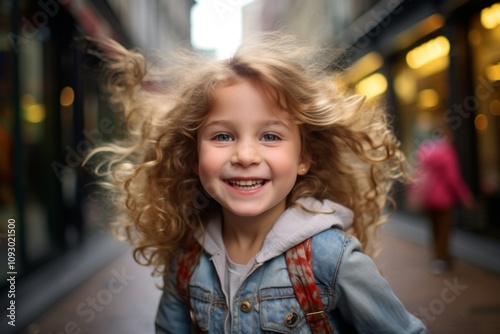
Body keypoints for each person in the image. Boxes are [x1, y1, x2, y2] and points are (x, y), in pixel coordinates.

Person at [86, 33, 428, 333]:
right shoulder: (188, 258)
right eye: (222, 136)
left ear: (303, 157)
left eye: (269, 135)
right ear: (192, 156)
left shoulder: (330, 259)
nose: (246, 155)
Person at [410, 123, 473, 274]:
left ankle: (437, 258)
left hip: (427, 199)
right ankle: (442, 259)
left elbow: (416, 173)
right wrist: (465, 196)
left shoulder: (424, 151)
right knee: (444, 230)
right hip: (443, 199)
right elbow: (453, 178)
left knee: (434, 229)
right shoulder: (447, 152)